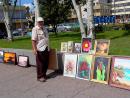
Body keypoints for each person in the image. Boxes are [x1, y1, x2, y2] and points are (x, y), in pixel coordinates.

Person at [32, 17, 49, 82]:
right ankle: (39, 77)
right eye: (39, 22)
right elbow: (33, 40)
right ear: (37, 22)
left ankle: (44, 75)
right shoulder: (35, 29)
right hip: (39, 48)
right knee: (40, 63)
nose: (41, 23)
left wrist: (49, 47)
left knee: (46, 62)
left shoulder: (45, 28)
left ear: (43, 22)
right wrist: (34, 49)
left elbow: (47, 38)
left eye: (41, 21)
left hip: (46, 47)